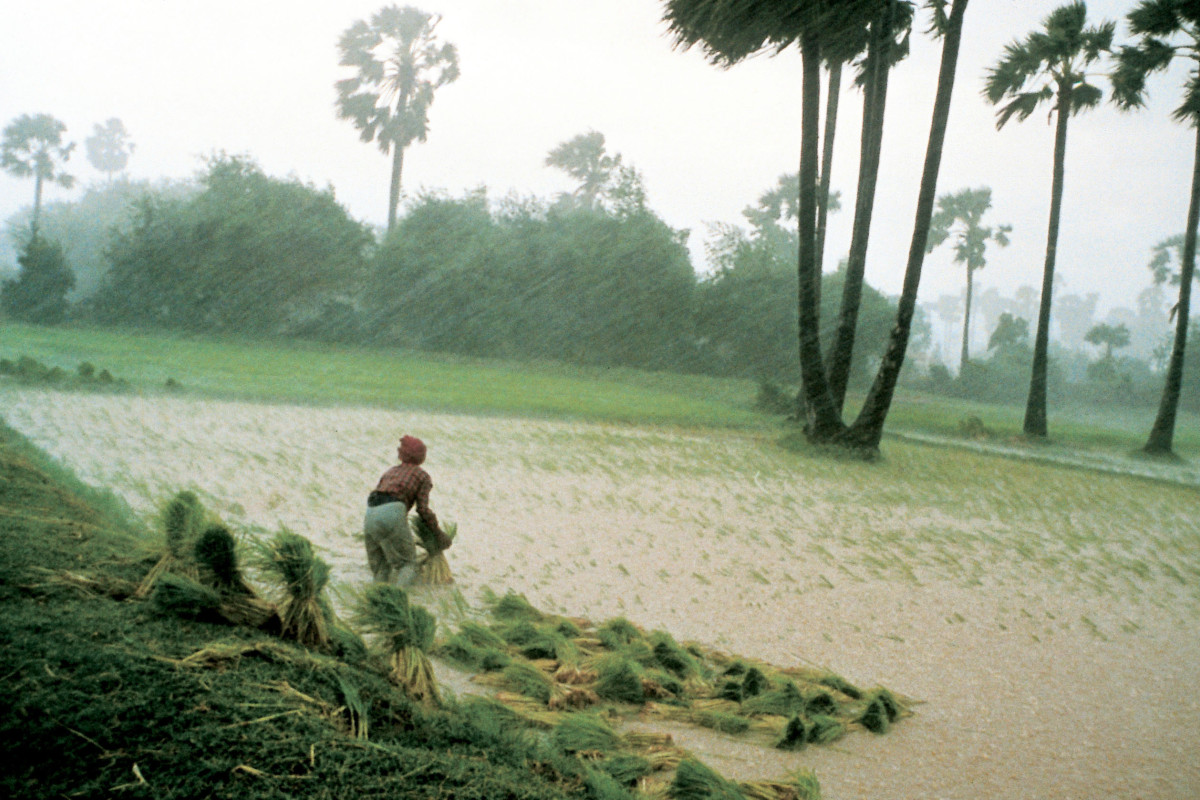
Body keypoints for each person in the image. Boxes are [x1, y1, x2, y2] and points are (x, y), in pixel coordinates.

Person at [364, 434, 451, 585]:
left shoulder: (390, 472)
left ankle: (376, 602)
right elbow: (423, 510)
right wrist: (438, 534)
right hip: (392, 510)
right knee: (408, 564)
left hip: (370, 513)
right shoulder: (422, 476)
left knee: (381, 569)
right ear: (421, 457)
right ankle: (398, 600)